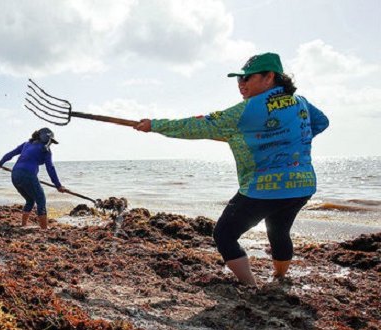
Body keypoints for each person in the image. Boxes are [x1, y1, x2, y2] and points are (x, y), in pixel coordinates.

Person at [133, 52, 329, 286]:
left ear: (269, 77)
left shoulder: (246, 110)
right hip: (302, 185)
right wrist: (290, 140)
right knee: (278, 230)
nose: (241, 84)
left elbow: (197, 125)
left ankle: (250, 285)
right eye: (238, 80)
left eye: (247, 78)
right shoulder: (301, 102)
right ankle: (280, 278)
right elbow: (321, 122)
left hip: (264, 188)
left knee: (224, 235)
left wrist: (154, 125)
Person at [0, 128, 67, 229]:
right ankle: (44, 229)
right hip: (28, 175)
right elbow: (50, 168)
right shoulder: (46, 150)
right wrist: (58, 185)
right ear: (46, 139)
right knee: (41, 200)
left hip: (15, 175)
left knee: (30, 200)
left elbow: (10, 154)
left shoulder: (26, 144)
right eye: (50, 141)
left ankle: (24, 225)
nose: (50, 144)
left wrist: (0, 163)